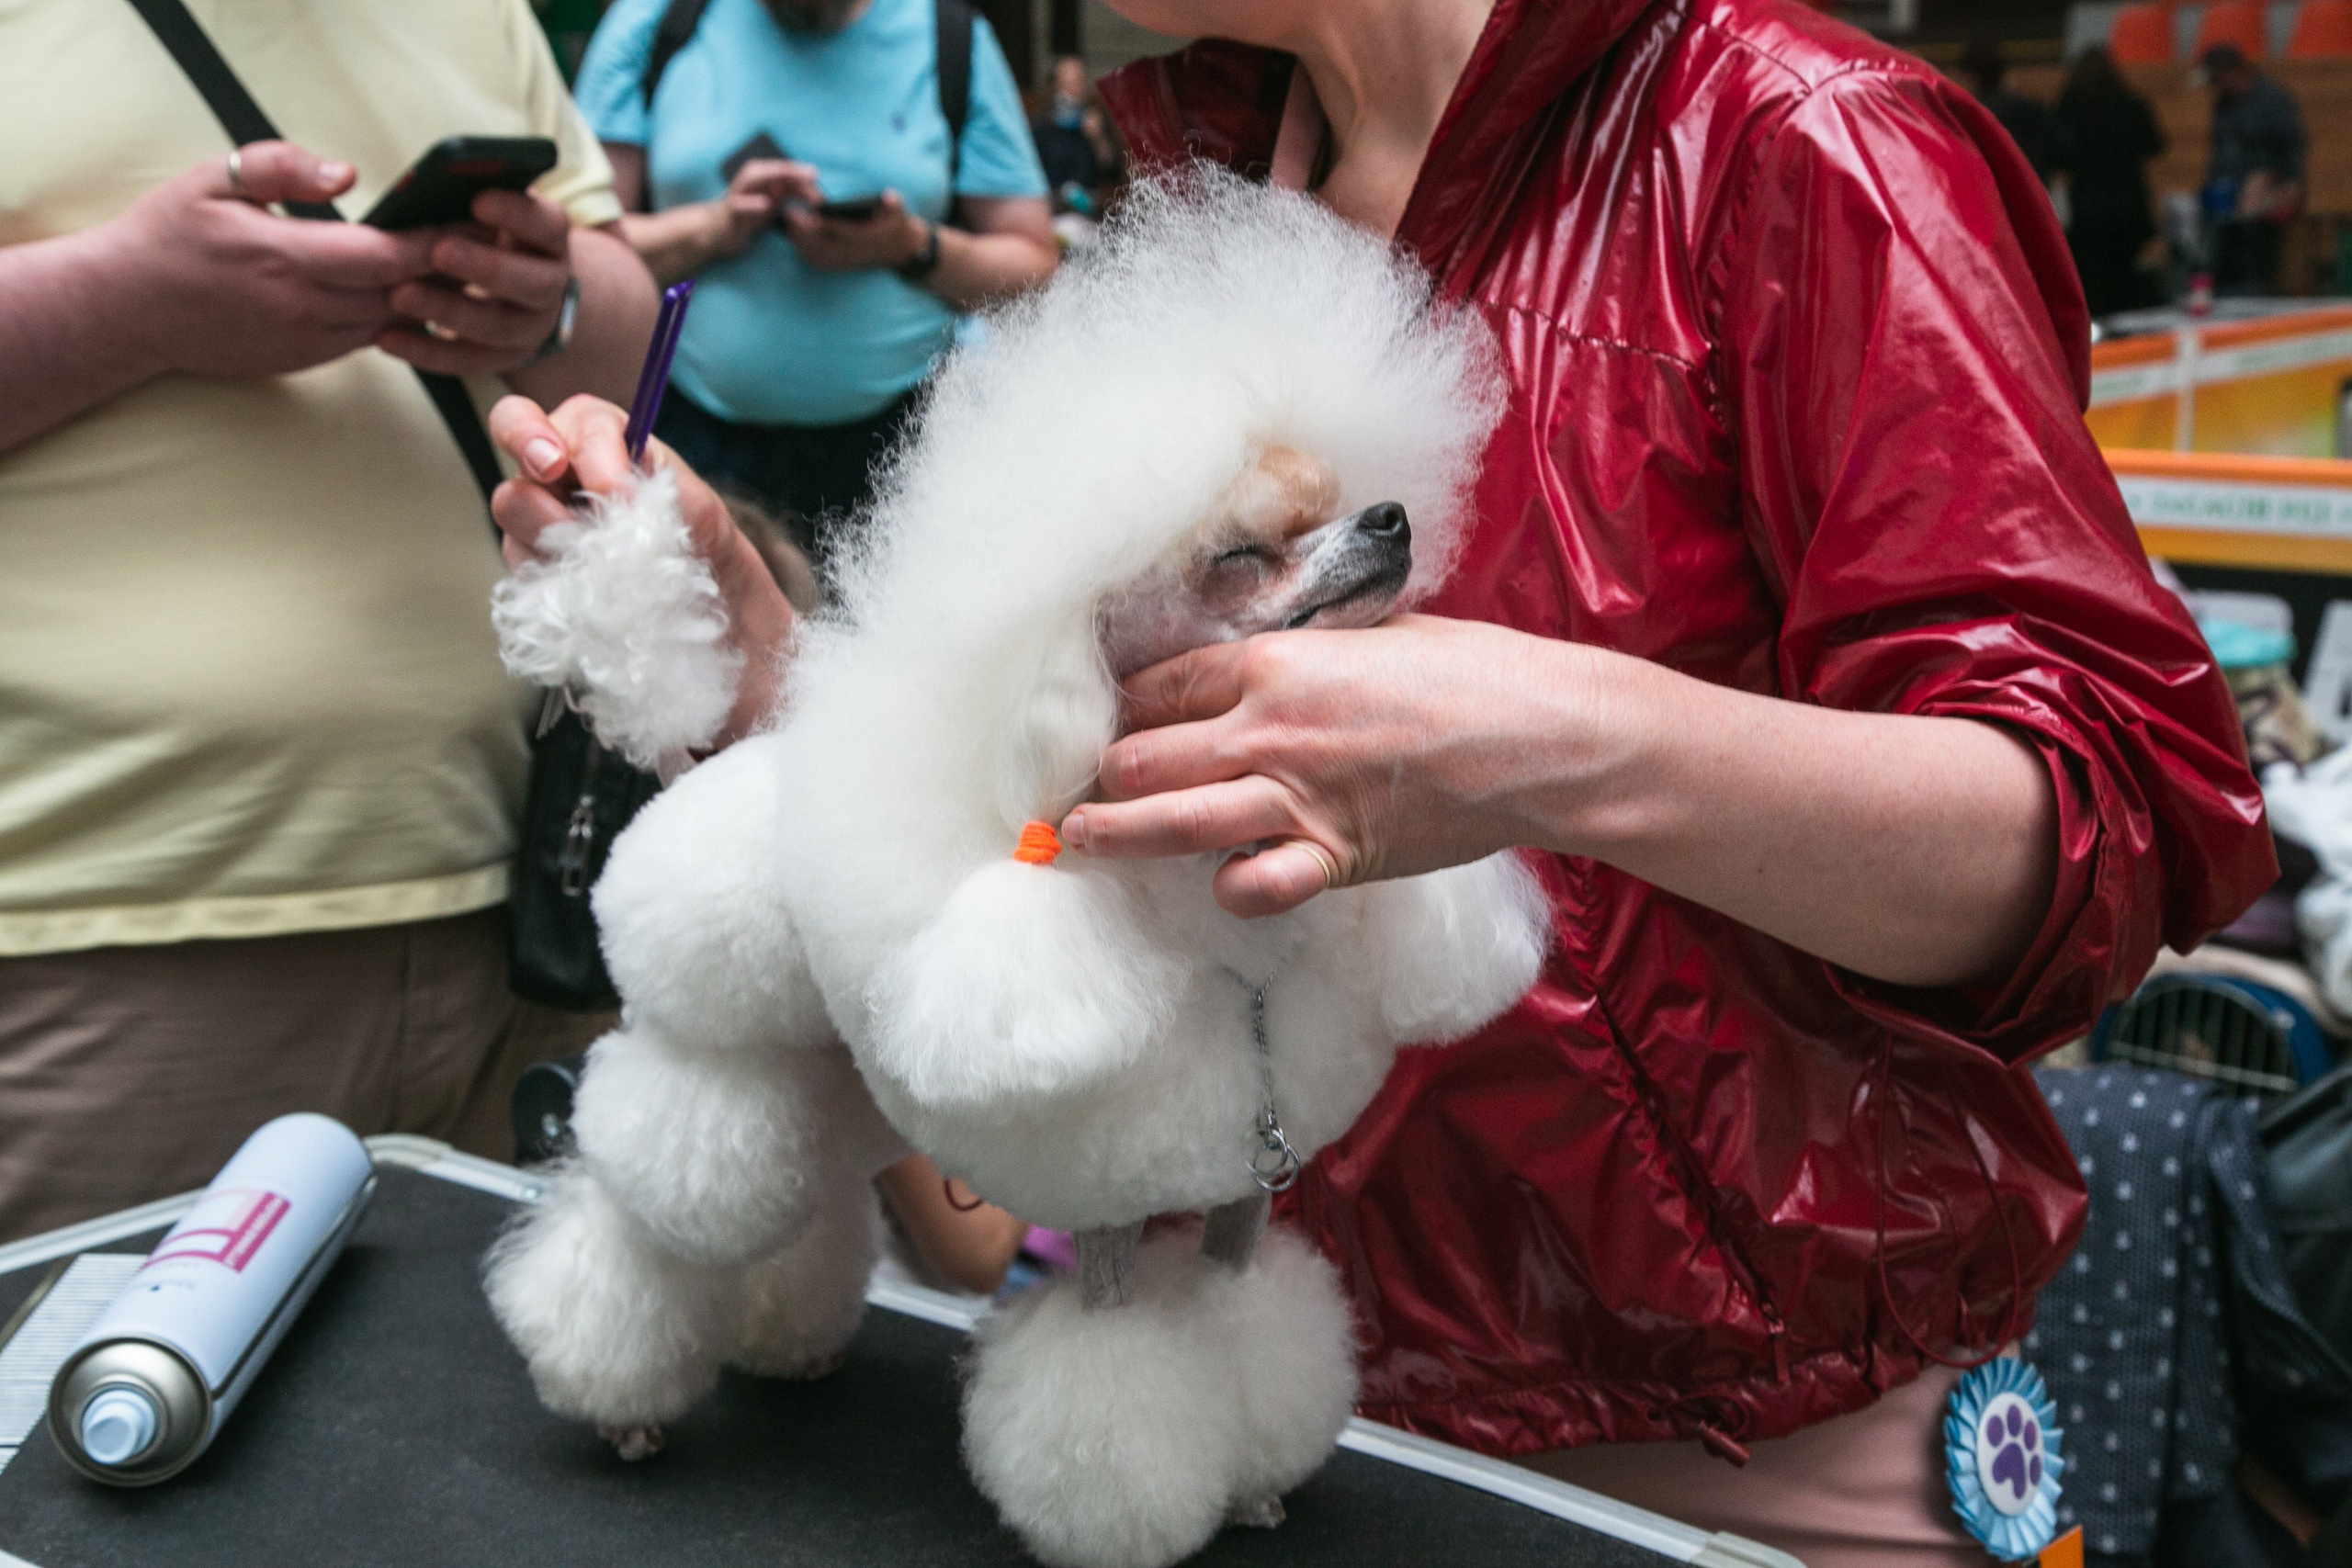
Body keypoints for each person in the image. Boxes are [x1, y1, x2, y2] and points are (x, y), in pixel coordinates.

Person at [483, 0, 2274, 1560]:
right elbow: (1060, 790)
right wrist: (746, 624)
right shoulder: (1200, 184)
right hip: (1288, 1402)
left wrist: (1546, 748)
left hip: (1736, 1433)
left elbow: (2107, 824)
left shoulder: (1803, 146)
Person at [0, 0, 659, 1242]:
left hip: (519, 916)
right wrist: (122, 301)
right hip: (99, 938)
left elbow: (625, 358)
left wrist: (551, 297)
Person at [571, 0, 1057, 565]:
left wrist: (911, 248)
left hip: (906, 444)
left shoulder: (951, 37)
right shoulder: (653, 24)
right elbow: (583, 259)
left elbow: (1034, 272)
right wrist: (714, 227)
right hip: (693, 433)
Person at [2056, 45, 2166, 319]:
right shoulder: (2133, 104)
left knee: (2093, 287)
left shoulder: (2068, 108)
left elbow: (2060, 160)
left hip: (2088, 209)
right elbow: (2154, 153)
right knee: (2128, 285)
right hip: (2130, 205)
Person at [2200, 42, 2307, 295]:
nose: (2215, 85)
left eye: (2218, 78)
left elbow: (2291, 146)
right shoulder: (2223, 104)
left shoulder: (2272, 100)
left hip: (2267, 191)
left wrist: (2288, 183)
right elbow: (2220, 151)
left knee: (2255, 235)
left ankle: (2258, 291)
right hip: (2228, 194)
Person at [1962, 38, 2071, 189]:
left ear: (1971, 76)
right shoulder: (2032, 109)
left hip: (1993, 198)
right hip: (2032, 194)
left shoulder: (1968, 120)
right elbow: (2063, 150)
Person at [1031, 54, 1124, 212]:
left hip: (1089, 207)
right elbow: (1033, 175)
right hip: (1052, 206)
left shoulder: (1096, 120)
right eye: (1067, 84)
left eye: (1078, 82)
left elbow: (1113, 174)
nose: (1074, 89)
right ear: (1055, 87)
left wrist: (1099, 139)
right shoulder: (1040, 126)